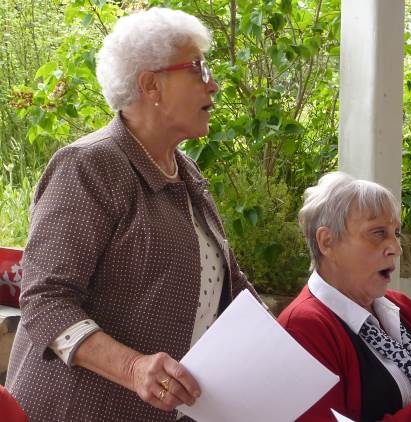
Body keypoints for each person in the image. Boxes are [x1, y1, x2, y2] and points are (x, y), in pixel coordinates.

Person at [6, 7, 259, 422]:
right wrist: (133, 367)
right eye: (198, 69)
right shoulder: (88, 165)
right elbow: (45, 301)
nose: (213, 85)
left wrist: (288, 344)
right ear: (150, 85)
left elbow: (229, 285)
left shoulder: (186, 172)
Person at [278, 172, 411, 422]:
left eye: (396, 233)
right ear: (327, 241)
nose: (396, 249)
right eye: (378, 233)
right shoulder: (302, 328)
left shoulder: (403, 308)